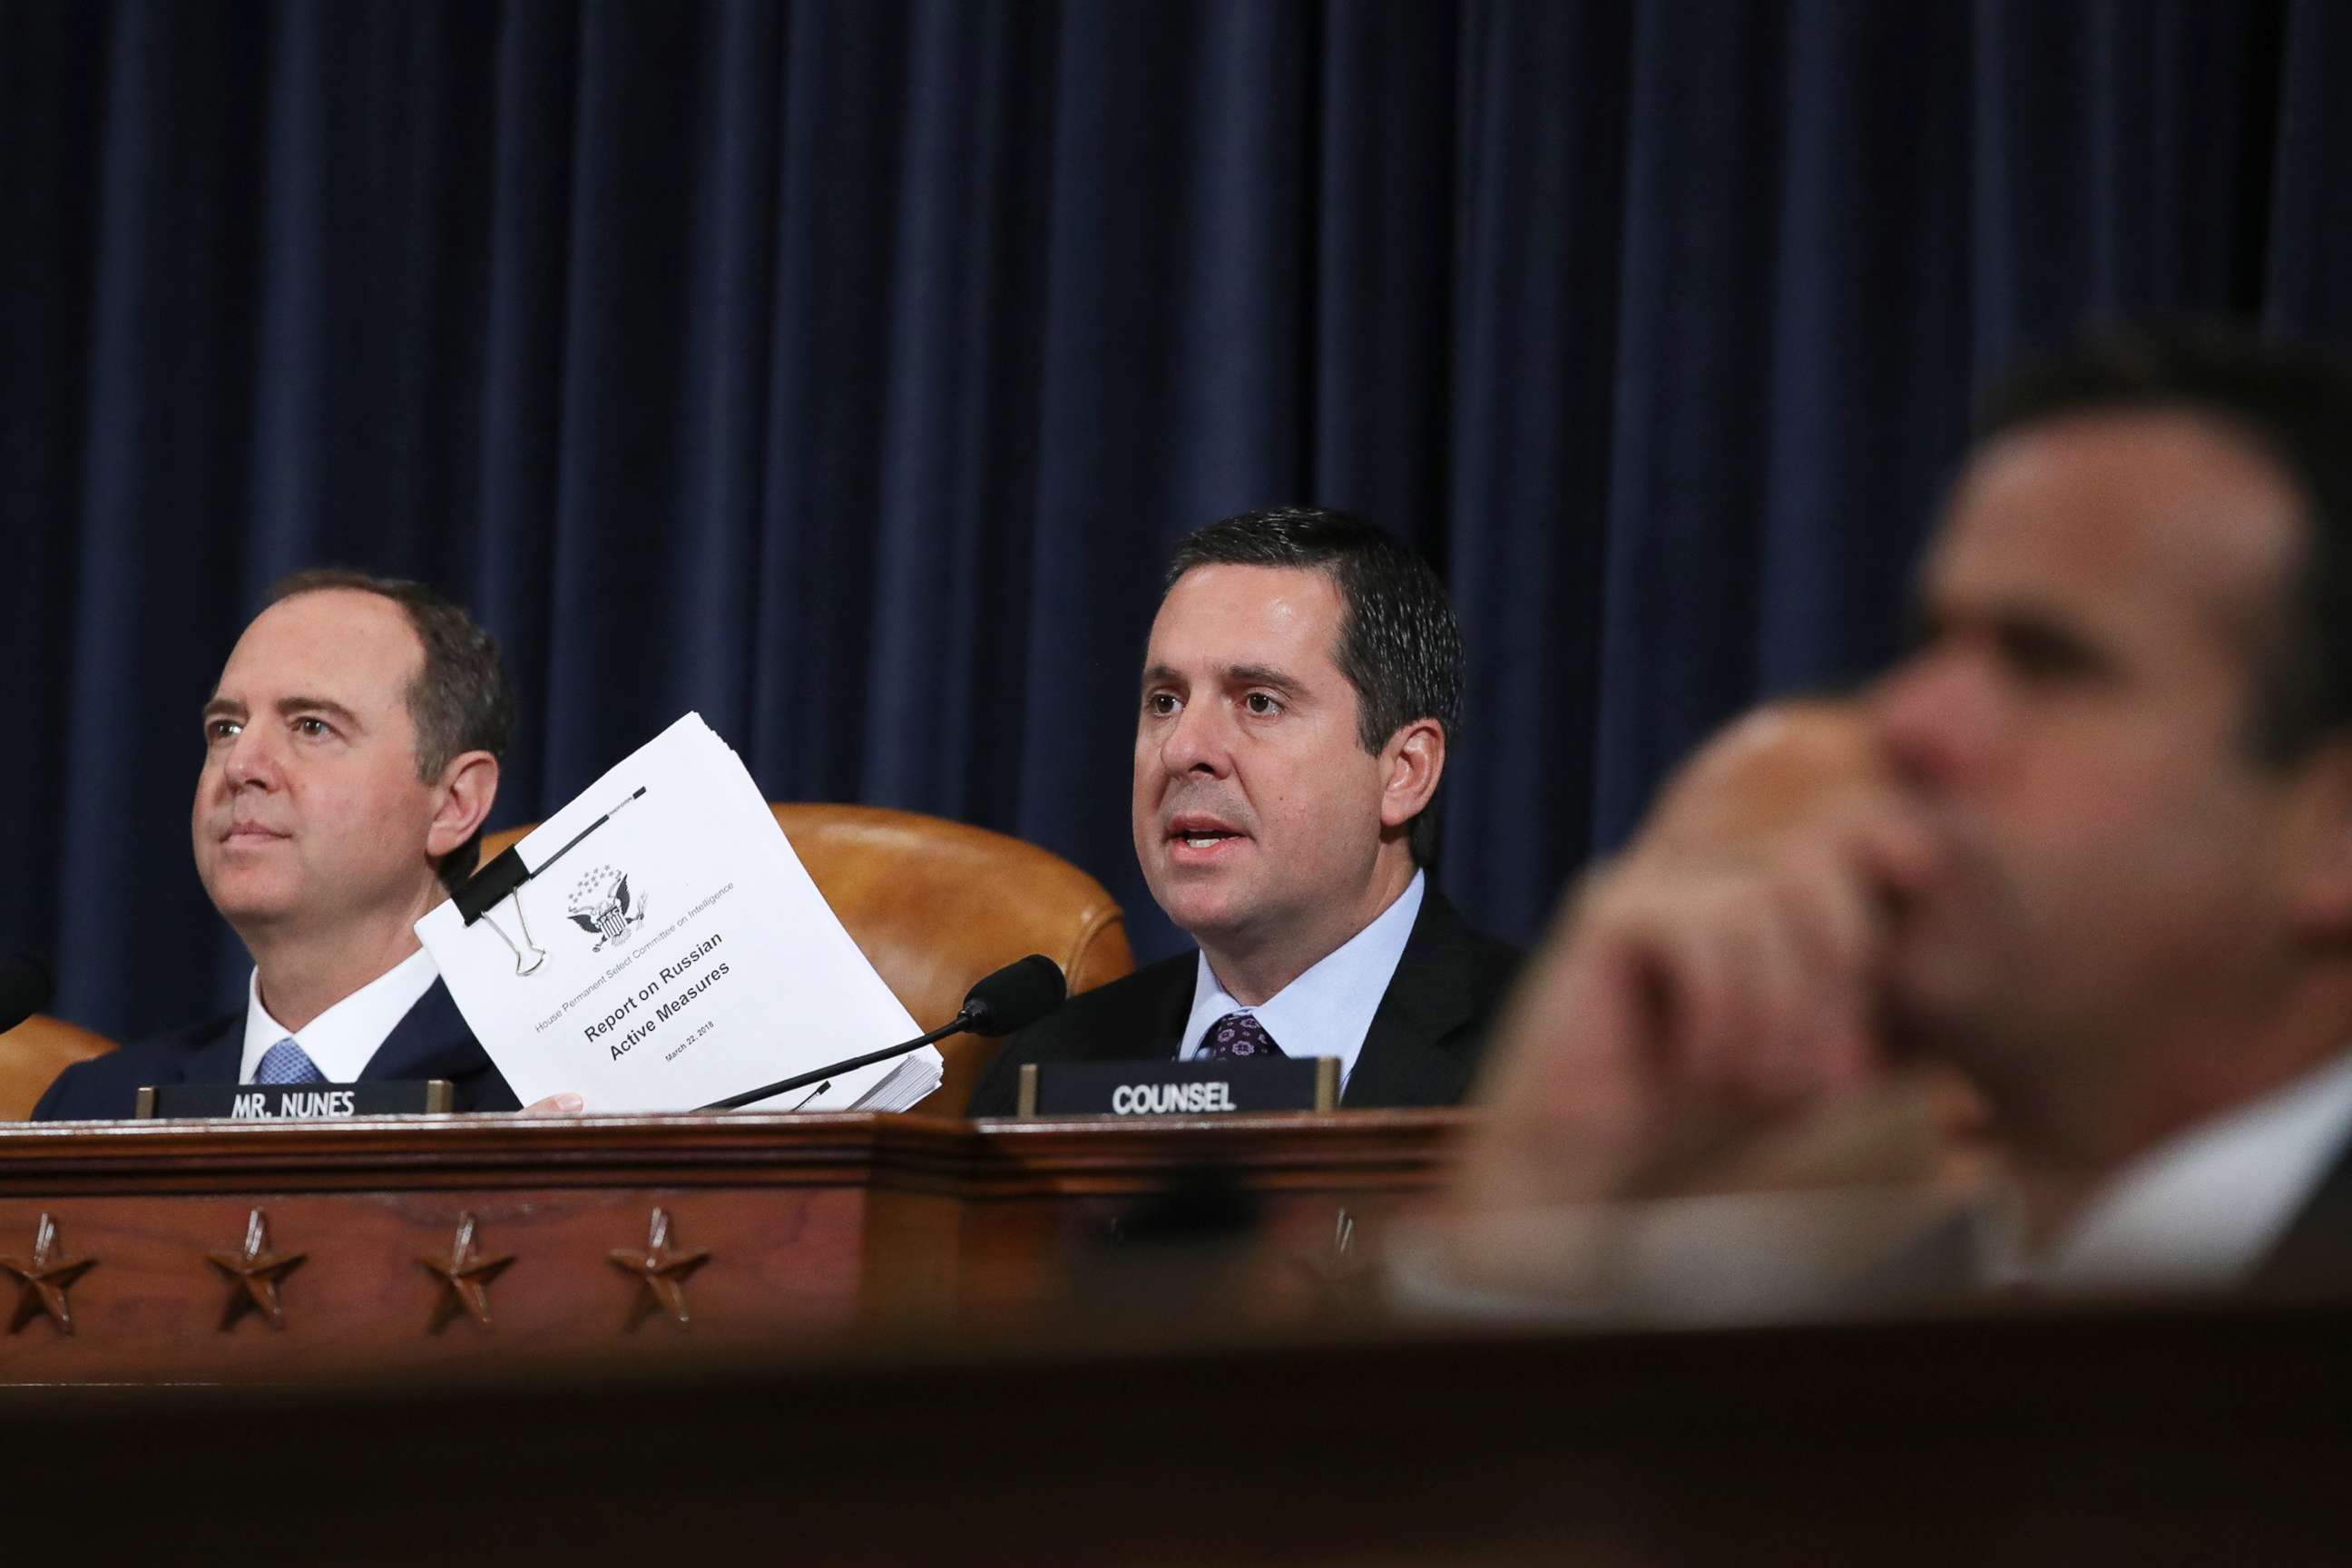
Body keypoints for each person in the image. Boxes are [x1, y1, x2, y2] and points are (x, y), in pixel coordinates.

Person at [1440, 327, 2352, 1300]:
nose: (1904, 721)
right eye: (1932, 643)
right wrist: (1535, 1210)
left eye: (2048, 661)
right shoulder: (1804, 1327)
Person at [968, 506, 1519, 1115]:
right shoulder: (1046, 1067)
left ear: (1404, 772)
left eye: (1260, 702)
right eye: (1165, 701)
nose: (1183, 749)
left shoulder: (1551, 1066)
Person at [34, 570, 526, 1120]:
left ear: (454, 803)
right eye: (226, 728)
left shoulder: (546, 1098)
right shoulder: (90, 1108)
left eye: (312, 726)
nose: (242, 766)